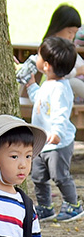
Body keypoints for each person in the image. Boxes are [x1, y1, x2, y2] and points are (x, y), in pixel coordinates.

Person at [25, 37, 82, 222]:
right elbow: (39, 101)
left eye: (39, 56)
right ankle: (45, 207)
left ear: (47, 65)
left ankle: (74, 205)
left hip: (58, 143)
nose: (36, 58)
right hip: (43, 142)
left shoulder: (60, 89)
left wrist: (56, 133)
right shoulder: (48, 84)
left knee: (60, 176)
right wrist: (31, 84)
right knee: (38, 177)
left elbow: (61, 113)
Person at [18, 4, 84, 101]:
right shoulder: (53, 49)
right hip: (65, 88)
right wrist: (78, 71)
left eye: (75, 33)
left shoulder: (68, 47)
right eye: (69, 32)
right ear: (58, 27)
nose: (72, 36)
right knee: (73, 82)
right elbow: (59, 71)